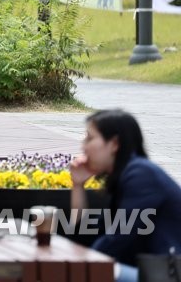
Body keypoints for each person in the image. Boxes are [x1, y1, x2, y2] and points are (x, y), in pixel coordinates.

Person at [70, 109, 181, 282]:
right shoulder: (126, 176)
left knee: (95, 272)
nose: (83, 146)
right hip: (151, 270)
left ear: (114, 143)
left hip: (168, 273)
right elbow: (85, 232)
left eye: (89, 138)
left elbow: (116, 239)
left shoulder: (141, 174)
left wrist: (75, 267)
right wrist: (77, 186)